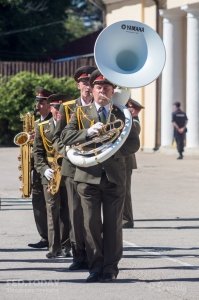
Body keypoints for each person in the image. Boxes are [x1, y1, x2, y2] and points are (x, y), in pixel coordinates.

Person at [60, 69, 140, 282]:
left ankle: (110, 268)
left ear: (113, 91)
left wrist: (110, 148)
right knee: (90, 224)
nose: (102, 90)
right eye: (98, 87)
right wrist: (87, 133)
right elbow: (65, 136)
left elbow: (134, 143)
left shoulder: (122, 114)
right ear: (92, 90)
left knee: (113, 225)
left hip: (114, 176)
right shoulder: (80, 113)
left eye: (106, 87)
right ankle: (95, 267)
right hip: (87, 177)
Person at [53, 65, 96, 270]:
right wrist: (68, 153)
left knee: (93, 215)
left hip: (95, 166)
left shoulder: (101, 105)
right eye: (84, 82)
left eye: (90, 82)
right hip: (72, 168)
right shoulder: (68, 107)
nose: (87, 86)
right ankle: (79, 255)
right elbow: (57, 138)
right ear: (78, 85)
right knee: (76, 213)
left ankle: (95, 253)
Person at [33, 93, 71, 258]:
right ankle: (53, 247)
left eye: (60, 108)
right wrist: (43, 169)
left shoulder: (70, 126)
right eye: (55, 107)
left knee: (68, 210)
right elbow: (38, 153)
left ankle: (67, 245)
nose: (57, 111)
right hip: (50, 173)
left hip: (67, 171)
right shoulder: (42, 127)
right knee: (52, 209)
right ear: (50, 108)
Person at [28, 87, 53, 249]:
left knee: (52, 205)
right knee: (37, 203)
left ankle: (55, 238)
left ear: (49, 104)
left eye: (41, 102)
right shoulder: (36, 123)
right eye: (37, 102)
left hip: (49, 168)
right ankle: (44, 236)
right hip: (36, 169)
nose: (38, 106)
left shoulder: (54, 120)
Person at [123, 98, 144, 229]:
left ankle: (127, 219)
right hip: (122, 161)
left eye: (131, 108)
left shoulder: (134, 123)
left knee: (124, 192)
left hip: (126, 161)